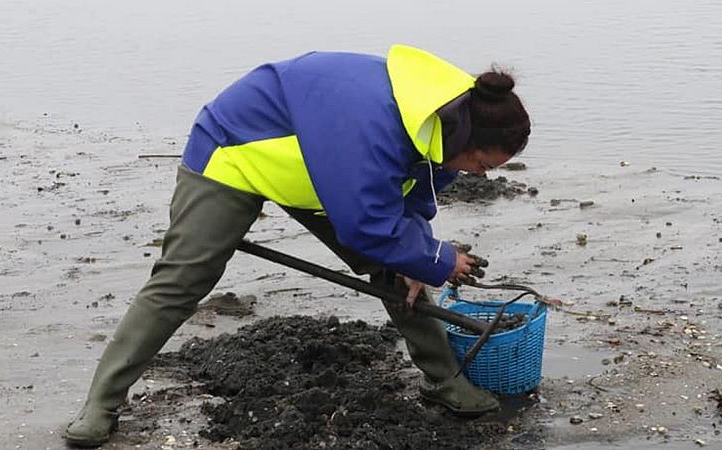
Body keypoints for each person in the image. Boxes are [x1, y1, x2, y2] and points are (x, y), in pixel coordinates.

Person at [64, 44, 530, 447]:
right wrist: (438, 259)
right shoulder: (370, 124)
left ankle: (442, 378)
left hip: (320, 173)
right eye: (483, 164)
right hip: (237, 151)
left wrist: (420, 257)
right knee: (181, 281)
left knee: (398, 263)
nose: (482, 175)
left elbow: (410, 198)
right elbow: (366, 225)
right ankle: (101, 404)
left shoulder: (443, 122)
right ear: (469, 140)